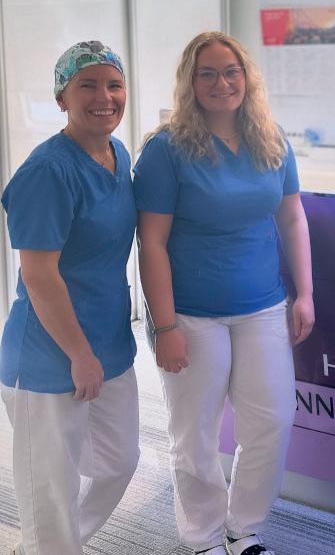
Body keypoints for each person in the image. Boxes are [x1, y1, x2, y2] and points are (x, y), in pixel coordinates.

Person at [133, 31, 314, 555]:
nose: (221, 83)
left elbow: (292, 216)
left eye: (231, 71)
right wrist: (164, 325)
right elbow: (151, 241)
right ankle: (204, 537)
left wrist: (305, 293)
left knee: (272, 422)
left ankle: (243, 529)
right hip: (191, 314)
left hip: (263, 306)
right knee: (196, 433)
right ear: (190, 83)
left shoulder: (270, 138)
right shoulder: (167, 149)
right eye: (207, 74)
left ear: (246, 77)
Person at [0, 41, 139, 555]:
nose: (104, 97)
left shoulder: (118, 155)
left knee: (119, 461)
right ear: (62, 98)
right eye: (87, 85)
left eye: (114, 85)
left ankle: (47, 547)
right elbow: (38, 277)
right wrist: (79, 355)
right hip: (48, 352)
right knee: (51, 492)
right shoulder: (47, 172)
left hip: (109, 340)